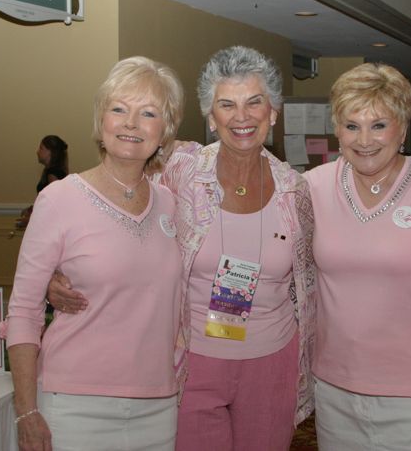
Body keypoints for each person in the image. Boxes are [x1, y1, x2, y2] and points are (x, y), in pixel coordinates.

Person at [48, 46, 316, 451]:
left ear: (272, 112)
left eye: (254, 102)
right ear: (211, 117)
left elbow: (317, 274)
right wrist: (59, 269)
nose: (241, 116)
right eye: (226, 104)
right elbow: (118, 211)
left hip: (272, 360)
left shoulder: (296, 191)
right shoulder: (179, 168)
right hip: (190, 360)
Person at [6, 56, 186, 451]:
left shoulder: (171, 204)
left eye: (148, 113)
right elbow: (23, 311)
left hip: (158, 406)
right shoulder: (59, 199)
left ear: (165, 129)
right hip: (73, 406)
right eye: (118, 109)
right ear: (101, 122)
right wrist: (26, 410)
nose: (131, 123)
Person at [303, 62, 411, 450]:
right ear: (337, 129)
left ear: (403, 128)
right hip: (335, 388)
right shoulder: (311, 188)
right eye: (352, 126)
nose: (364, 139)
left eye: (379, 125)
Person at [17, 135, 70, 230]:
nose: (37, 152)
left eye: (41, 148)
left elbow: (53, 207)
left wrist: (30, 220)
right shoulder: (53, 172)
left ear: (50, 152)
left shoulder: (52, 175)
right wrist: (33, 209)